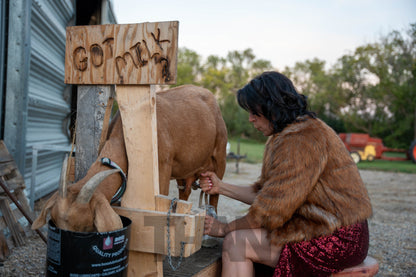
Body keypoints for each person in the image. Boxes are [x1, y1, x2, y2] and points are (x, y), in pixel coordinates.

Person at [199, 71, 372, 277]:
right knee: (240, 237)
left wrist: (224, 228)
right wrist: (221, 186)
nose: (250, 119)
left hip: (337, 238)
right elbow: (267, 196)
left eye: (255, 112)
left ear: (272, 108)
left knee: (236, 243)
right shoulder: (284, 134)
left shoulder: (301, 139)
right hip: (319, 228)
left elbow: (269, 212)